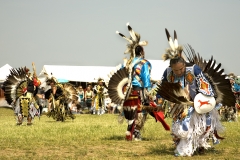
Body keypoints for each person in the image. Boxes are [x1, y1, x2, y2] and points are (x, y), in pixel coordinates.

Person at [157, 29, 236, 156]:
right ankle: (183, 148)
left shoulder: (194, 70)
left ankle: (200, 145)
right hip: (180, 104)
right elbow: (162, 90)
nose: (178, 72)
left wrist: (201, 101)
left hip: (198, 101)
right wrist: (159, 102)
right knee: (181, 126)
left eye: (181, 69)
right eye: (175, 70)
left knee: (201, 127)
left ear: (184, 65)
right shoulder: (168, 73)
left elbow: (205, 86)